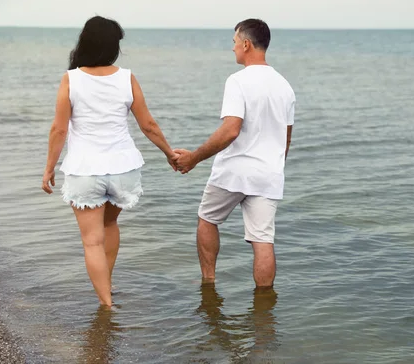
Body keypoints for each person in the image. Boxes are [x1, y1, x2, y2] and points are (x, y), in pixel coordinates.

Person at [41, 16, 178, 307]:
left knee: (92, 240)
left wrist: (49, 167)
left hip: (85, 170)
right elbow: (148, 124)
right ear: (113, 46)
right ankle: (108, 284)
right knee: (110, 226)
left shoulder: (72, 79)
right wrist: (169, 152)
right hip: (123, 169)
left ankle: (106, 305)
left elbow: (59, 129)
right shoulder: (126, 77)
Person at [174, 18, 295, 288]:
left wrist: (193, 158)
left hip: (234, 171)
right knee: (263, 240)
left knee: (207, 219)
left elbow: (231, 130)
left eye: (234, 43)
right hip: (268, 174)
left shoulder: (238, 81)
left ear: (246, 44)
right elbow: (285, 139)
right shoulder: (285, 86)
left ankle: (209, 284)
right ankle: (264, 313)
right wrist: (273, 168)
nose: (233, 49)